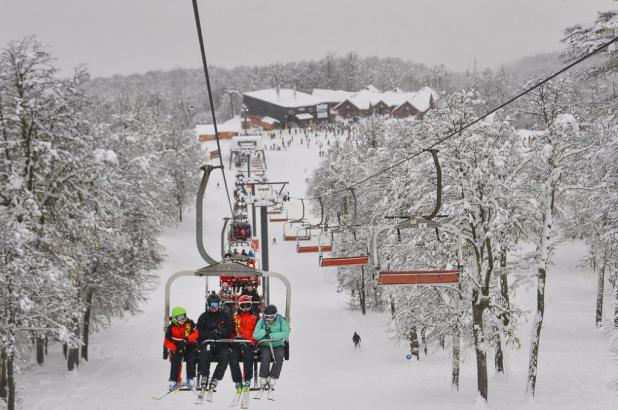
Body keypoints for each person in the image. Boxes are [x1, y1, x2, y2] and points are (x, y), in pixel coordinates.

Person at [197, 293, 234, 392]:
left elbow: (229, 328)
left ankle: (216, 378)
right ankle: (204, 376)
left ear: (219, 305)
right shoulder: (204, 316)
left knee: (225, 355)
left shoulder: (224, 316)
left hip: (221, 343)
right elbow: (199, 330)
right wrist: (209, 334)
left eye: (216, 305)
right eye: (211, 305)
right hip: (208, 342)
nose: (213, 307)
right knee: (205, 353)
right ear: (208, 305)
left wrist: (220, 333)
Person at [253, 305, 290, 390]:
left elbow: (286, 332)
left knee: (279, 356)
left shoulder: (281, 321)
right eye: (266, 317)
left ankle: (273, 377)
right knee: (265, 357)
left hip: (277, 344)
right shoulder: (261, 322)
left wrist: (272, 335)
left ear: (275, 315)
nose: (269, 320)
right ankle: (263, 377)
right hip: (265, 344)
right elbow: (255, 335)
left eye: (271, 317)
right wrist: (264, 331)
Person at [164, 307, 199, 391]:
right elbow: (167, 342)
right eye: (179, 318)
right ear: (175, 318)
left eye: (183, 317)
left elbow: (196, 333)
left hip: (189, 344)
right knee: (175, 359)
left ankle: (190, 378)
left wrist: (187, 339)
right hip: (177, 346)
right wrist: (175, 348)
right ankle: (174, 380)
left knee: (191, 358)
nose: (182, 320)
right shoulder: (171, 328)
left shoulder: (189, 323)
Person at [229, 295, 258, 394]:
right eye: (244, 305)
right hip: (237, 343)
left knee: (248, 357)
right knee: (233, 358)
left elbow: (257, 332)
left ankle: (248, 380)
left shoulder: (254, 317)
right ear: (239, 306)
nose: (246, 308)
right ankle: (238, 381)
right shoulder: (234, 317)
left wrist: (251, 341)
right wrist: (234, 339)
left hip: (249, 343)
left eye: (248, 305)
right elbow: (231, 332)